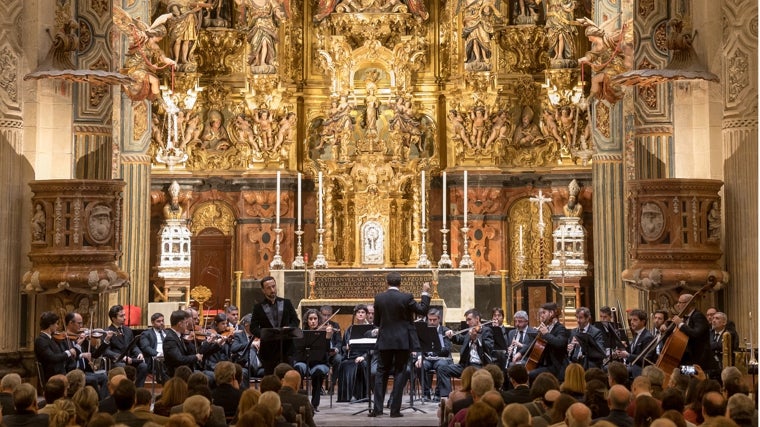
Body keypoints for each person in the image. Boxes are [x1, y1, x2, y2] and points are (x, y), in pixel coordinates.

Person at [369, 271, 431, 417]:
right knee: (400, 373)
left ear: (387, 282)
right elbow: (422, 310)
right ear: (400, 283)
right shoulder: (406, 297)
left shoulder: (379, 298)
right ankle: (395, 410)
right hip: (402, 341)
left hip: (384, 340)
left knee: (381, 373)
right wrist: (425, 292)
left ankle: (377, 409)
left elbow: (376, 322)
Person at [250, 275, 300, 374]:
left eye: (273, 286)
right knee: (270, 379)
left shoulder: (287, 303)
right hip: (268, 350)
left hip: (286, 348)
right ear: (263, 290)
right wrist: (265, 333)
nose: (272, 290)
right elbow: (253, 327)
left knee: (287, 377)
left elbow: (295, 321)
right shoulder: (258, 307)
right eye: (268, 288)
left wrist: (289, 328)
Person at [439, 308, 494, 398]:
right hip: (466, 365)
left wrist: (476, 339)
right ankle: (446, 397)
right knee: (443, 369)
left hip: (480, 366)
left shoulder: (486, 331)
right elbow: (461, 339)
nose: (467, 323)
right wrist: (452, 335)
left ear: (477, 319)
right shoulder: (470, 331)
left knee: (471, 372)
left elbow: (489, 347)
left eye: (469, 319)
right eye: (466, 320)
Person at [60, 312, 112, 398]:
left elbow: (95, 354)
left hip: (84, 372)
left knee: (104, 377)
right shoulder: (63, 340)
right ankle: (96, 403)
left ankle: (102, 401)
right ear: (70, 323)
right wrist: (80, 355)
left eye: (82, 323)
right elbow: (66, 358)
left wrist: (106, 340)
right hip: (72, 372)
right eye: (79, 323)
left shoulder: (81, 337)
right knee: (93, 380)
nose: (81, 326)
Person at [670, 293, 719, 377]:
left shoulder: (698, 316)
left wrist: (681, 324)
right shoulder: (685, 317)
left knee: (693, 381)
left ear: (688, 304)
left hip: (698, 360)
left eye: (680, 302)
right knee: (682, 376)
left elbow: (696, 334)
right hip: (687, 358)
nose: (677, 305)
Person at [293, 309, 333, 411]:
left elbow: (327, 351)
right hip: (304, 362)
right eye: (310, 319)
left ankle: (314, 404)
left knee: (318, 372)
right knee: (298, 368)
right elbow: (296, 350)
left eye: (315, 319)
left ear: (319, 320)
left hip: (320, 362)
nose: (313, 321)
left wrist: (328, 337)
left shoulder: (323, 333)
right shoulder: (301, 333)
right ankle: (299, 401)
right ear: (307, 321)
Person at [103, 305, 149, 387]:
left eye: (124, 315)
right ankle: (124, 391)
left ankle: (137, 390)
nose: (124, 318)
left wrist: (139, 353)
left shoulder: (128, 330)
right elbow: (106, 351)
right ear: (113, 318)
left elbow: (133, 346)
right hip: (116, 361)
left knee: (143, 366)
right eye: (121, 316)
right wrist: (120, 356)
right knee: (123, 366)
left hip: (130, 359)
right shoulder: (107, 332)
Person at [414, 308, 453, 401]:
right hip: (428, 359)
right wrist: (419, 357)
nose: (431, 322)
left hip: (441, 358)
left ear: (439, 319)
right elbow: (419, 346)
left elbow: (446, 350)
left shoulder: (445, 330)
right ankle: (426, 393)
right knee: (420, 365)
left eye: (434, 320)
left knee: (441, 366)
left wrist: (434, 351)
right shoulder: (424, 331)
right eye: (429, 320)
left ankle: (438, 393)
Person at [336, 304, 370, 402]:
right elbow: (342, 346)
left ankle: (359, 395)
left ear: (366, 315)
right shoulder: (349, 330)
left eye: (363, 312)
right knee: (343, 364)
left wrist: (363, 357)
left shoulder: (370, 329)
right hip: (350, 357)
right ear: (355, 315)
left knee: (360, 364)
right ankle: (346, 396)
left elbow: (373, 348)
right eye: (358, 312)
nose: (360, 314)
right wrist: (346, 347)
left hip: (364, 357)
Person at [527, 302, 569, 381]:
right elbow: (534, 345)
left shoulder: (561, 329)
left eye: (544, 313)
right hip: (542, 364)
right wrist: (520, 353)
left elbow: (559, 343)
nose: (541, 316)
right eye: (540, 313)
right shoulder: (546, 327)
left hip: (556, 367)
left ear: (551, 313)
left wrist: (546, 334)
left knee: (531, 375)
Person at [34, 311, 76, 383]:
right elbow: (52, 357)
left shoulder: (52, 338)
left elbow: (60, 352)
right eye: (56, 323)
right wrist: (69, 352)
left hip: (61, 372)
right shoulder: (41, 340)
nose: (57, 326)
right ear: (50, 325)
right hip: (53, 376)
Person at [162, 310, 203, 377]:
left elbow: (193, 352)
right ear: (180, 324)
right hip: (177, 374)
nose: (187, 325)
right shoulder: (170, 339)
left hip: (185, 371)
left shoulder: (179, 336)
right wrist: (195, 357)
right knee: (207, 378)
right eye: (186, 323)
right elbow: (179, 359)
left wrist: (188, 342)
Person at [616, 309, 653, 377]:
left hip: (640, 369)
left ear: (643, 322)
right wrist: (624, 348)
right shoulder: (637, 334)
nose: (632, 322)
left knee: (616, 372)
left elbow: (644, 359)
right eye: (631, 320)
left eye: (635, 320)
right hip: (632, 366)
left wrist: (627, 355)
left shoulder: (647, 337)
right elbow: (633, 352)